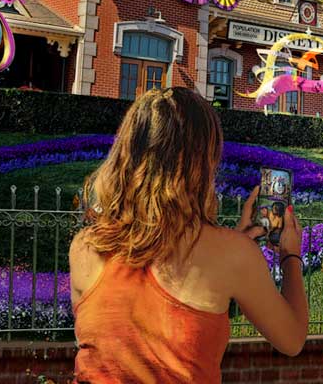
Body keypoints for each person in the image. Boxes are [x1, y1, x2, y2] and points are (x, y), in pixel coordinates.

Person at [69, 88, 309, 383]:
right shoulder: (233, 255)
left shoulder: (84, 247)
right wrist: (290, 255)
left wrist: (235, 244)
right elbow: (292, 339)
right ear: (203, 160)